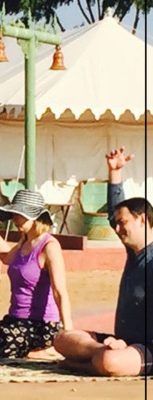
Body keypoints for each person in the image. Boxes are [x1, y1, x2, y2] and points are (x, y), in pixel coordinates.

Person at [54, 147, 153, 376]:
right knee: (63, 338)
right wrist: (115, 174)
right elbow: (113, 212)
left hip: (146, 348)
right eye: (116, 224)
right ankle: (99, 354)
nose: (116, 229)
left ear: (142, 220)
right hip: (120, 342)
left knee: (111, 361)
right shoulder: (133, 254)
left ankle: (94, 361)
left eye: (122, 223)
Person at [0, 189, 73, 359]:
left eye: (19, 214)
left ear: (34, 216)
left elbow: (60, 292)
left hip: (41, 326)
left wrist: (68, 333)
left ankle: (46, 349)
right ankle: (34, 351)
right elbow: (6, 257)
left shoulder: (49, 246)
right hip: (15, 321)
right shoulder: (24, 241)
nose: (14, 219)